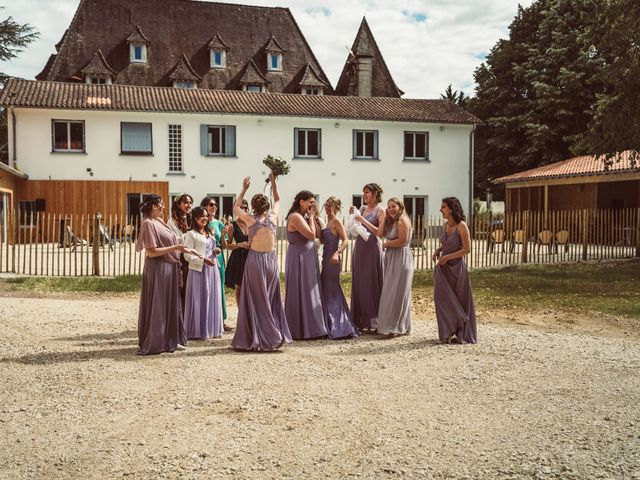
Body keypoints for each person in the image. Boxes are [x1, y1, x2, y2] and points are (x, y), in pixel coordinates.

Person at [231, 175, 292, 351]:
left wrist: (243, 188)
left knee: (258, 298)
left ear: (254, 206)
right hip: (270, 260)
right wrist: (273, 183)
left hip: (256, 260)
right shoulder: (273, 216)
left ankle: (264, 335)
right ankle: (272, 334)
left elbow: (235, 206)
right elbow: (279, 199)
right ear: (267, 205)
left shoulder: (250, 220)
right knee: (270, 297)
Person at [135, 195, 196, 355]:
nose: (163, 207)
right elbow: (152, 251)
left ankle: (171, 339)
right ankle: (157, 340)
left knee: (170, 304)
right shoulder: (148, 223)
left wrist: (181, 248)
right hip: (158, 269)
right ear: (154, 206)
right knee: (159, 305)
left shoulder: (160, 221)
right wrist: (175, 247)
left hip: (169, 268)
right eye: (161, 204)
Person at [432, 197, 477, 344]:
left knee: (459, 299)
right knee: (441, 299)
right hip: (443, 269)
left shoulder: (462, 226)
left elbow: (467, 249)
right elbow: (447, 244)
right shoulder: (445, 226)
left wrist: (448, 257)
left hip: (457, 269)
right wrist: (439, 250)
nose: (440, 209)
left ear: (451, 208)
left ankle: (460, 330)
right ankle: (448, 330)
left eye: (443, 207)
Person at [320, 197, 359, 339]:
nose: (328, 207)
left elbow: (346, 240)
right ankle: (327, 323)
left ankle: (339, 326)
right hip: (325, 259)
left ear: (337, 207)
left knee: (332, 290)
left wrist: (338, 252)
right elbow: (323, 240)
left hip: (333, 260)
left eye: (331, 205)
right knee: (325, 289)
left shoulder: (336, 221)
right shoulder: (327, 221)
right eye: (326, 205)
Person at [182, 206, 223, 340]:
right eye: (202, 216)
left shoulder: (209, 233)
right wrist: (203, 260)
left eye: (206, 216)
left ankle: (211, 328)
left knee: (212, 297)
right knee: (200, 298)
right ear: (195, 218)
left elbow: (211, 248)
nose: (205, 218)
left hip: (212, 269)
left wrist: (216, 251)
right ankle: (198, 330)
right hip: (199, 271)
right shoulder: (190, 234)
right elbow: (187, 256)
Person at [375, 197, 413, 337]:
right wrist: (385, 217)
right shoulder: (393, 221)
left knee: (397, 292)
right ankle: (396, 326)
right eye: (389, 207)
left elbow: (403, 241)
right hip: (392, 258)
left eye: (393, 207)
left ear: (400, 207)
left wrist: (386, 244)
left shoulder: (403, 220)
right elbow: (379, 234)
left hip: (401, 258)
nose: (391, 209)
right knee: (391, 291)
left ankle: (395, 328)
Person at [351, 183, 385, 332]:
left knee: (372, 282)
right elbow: (356, 226)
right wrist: (354, 216)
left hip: (372, 249)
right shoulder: (363, 209)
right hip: (360, 247)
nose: (364, 195)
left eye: (367, 192)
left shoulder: (381, 210)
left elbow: (380, 233)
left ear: (375, 194)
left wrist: (362, 221)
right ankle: (361, 320)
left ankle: (376, 320)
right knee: (360, 281)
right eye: (363, 192)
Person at [201, 197, 231, 331]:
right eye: (211, 205)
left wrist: (224, 234)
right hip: (206, 258)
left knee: (219, 290)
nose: (214, 207)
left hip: (218, 258)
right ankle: (207, 319)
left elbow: (224, 246)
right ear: (205, 206)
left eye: (215, 205)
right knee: (207, 288)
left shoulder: (219, 224)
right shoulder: (201, 222)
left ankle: (221, 320)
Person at [167, 193, 193, 308]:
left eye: (190, 202)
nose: (189, 205)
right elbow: (174, 239)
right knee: (183, 286)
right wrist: (189, 238)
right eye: (186, 202)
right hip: (181, 258)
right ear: (178, 204)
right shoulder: (172, 221)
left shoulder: (191, 218)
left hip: (193, 255)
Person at [225, 199, 250, 305]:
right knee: (239, 286)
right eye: (241, 208)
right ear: (236, 210)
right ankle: (241, 314)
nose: (244, 209)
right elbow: (227, 245)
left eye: (245, 207)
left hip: (251, 256)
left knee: (251, 285)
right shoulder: (233, 225)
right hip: (238, 258)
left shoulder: (252, 223)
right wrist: (239, 245)